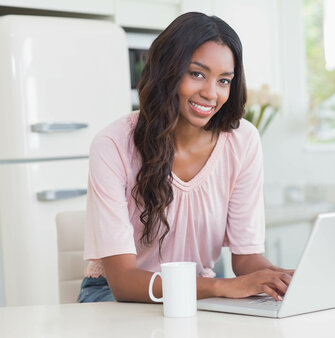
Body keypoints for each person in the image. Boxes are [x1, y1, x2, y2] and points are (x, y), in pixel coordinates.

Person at [78, 12, 293, 303]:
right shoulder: (113, 145)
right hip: (115, 297)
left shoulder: (242, 141)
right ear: (168, 70)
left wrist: (281, 280)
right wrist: (221, 287)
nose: (211, 93)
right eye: (197, 74)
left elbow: (246, 259)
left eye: (224, 81)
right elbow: (124, 282)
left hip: (197, 294)